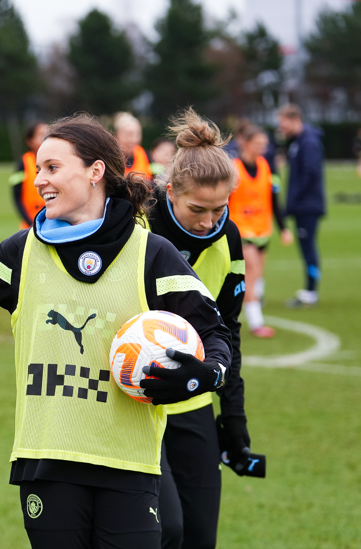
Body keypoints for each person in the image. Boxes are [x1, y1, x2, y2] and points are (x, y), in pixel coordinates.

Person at [0, 114, 232, 549]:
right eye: (38, 168)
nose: (39, 179)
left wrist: (204, 374)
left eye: (52, 168)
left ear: (95, 171)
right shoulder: (24, 249)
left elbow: (215, 331)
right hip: (47, 463)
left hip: (129, 464)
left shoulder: (151, 253)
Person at [145, 109, 253, 549]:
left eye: (220, 208)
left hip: (193, 403)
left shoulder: (229, 239)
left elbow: (229, 329)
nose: (209, 221)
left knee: (200, 536)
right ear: (170, 192)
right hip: (136, 404)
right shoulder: (137, 225)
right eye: (197, 209)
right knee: (164, 531)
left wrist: (234, 418)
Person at [229, 125, 292, 338]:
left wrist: (283, 228)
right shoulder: (232, 168)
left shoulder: (268, 167)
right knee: (252, 273)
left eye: (264, 144)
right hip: (241, 231)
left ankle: (236, 307)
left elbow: (274, 199)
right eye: (257, 144)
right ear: (245, 143)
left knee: (257, 275)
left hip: (263, 231)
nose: (262, 148)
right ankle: (257, 323)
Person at [277, 104, 325, 308]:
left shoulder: (309, 142)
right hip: (303, 205)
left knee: (308, 248)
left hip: (308, 206)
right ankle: (310, 289)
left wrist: (294, 201)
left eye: (283, 124)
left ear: (295, 119)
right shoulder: (298, 142)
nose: (281, 128)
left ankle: (311, 291)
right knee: (306, 247)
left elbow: (311, 174)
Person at [11, 122, 49, 229]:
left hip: (52, 223)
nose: (45, 138)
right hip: (30, 225)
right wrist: (29, 221)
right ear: (30, 141)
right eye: (41, 135)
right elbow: (16, 196)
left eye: (48, 134)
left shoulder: (59, 161)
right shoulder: (23, 163)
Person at [115, 112, 153, 181]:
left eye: (137, 135)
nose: (133, 139)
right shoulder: (111, 158)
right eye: (128, 134)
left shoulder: (146, 156)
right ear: (117, 135)